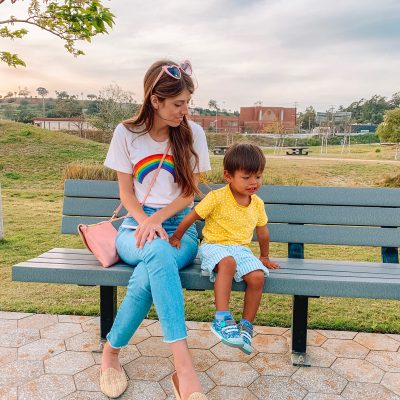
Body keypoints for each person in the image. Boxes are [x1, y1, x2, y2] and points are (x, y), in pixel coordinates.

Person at [100, 59, 211, 400]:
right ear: (155, 101)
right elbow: (125, 193)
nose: (184, 110)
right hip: (134, 225)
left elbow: (191, 194)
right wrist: (146, 221)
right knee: (155, 252)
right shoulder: (126, 133)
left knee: (154, 262)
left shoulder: (193, 133)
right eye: (178, 104)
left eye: (187, 103)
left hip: (180, 230)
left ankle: (111, 352)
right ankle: (185, 371)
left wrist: (158, 219)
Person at [169, 143, 280, 355]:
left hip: (241, 249)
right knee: (228, 262)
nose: (253, 182)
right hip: (214, 246)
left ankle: (246, 327)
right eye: (246, 177)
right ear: (228, 176)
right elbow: (192, 216)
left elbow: (263, 232)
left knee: (257, 277)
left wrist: (264, 256)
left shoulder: (257, 203)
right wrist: (176, 236)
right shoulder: (217, 197)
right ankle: (221, 318)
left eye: (258, 176)